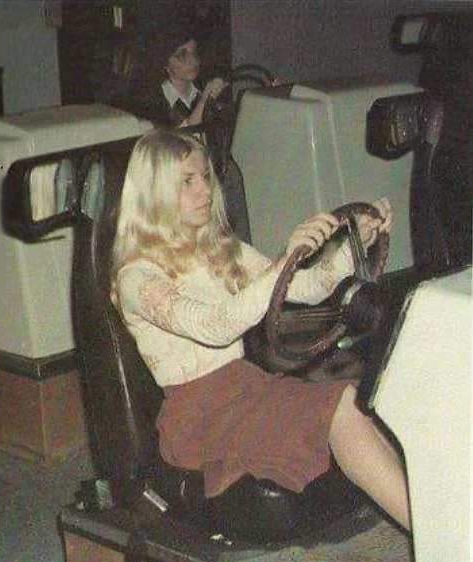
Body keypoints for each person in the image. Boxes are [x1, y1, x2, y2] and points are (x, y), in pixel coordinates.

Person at [111, 129, 411, 531]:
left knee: (364, 391)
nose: (204, 190)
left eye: (205, 177)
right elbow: (214, 327)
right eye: (187, 181)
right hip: (201, 415)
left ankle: (432, 522)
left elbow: (305, 288)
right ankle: (436, 541)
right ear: (153, 194)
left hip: (247, 387)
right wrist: (283, 260)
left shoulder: (220, 248)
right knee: (341, 403)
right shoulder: (137, 276)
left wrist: (350, 247)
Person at [138, 19, 228, 128]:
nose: (192, 61)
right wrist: (204, 102)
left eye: (194, 52)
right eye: (182, 55)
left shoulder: (203, 90)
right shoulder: (153, 101)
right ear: (165, 63)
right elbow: (181, 140)